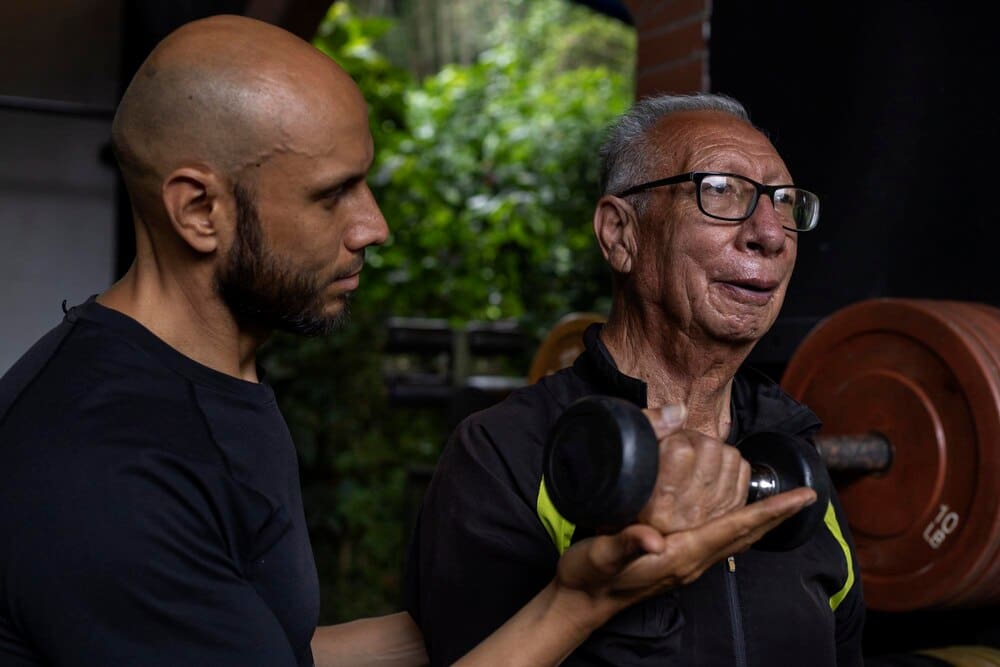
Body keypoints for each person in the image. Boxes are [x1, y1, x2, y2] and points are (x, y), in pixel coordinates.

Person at [0, 16, 817, 667]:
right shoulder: (104, 464)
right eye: (332, 196)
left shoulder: (211, 380)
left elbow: (263, 641)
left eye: (366, 181)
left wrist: (521, 589)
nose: (374, 225)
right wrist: (586, 601)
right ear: (198, 212)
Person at [404, 92, 866, 667]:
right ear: (620, 234)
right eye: (721, 191)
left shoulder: (794, 458)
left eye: (785, 203)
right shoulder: (505, 452)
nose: (769, 234)